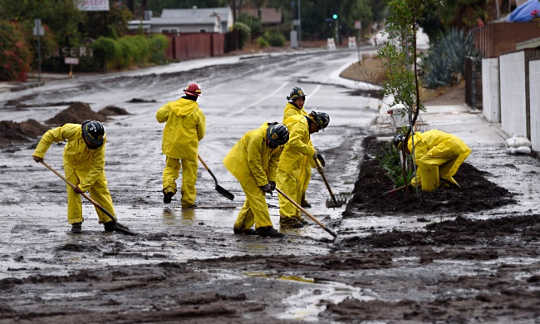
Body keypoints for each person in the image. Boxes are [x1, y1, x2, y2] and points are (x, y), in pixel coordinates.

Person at [32, 121, 117, 234]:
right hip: (72, 163)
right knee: (73, 192)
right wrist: (39, 152)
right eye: (91, 142)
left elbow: (98, 167)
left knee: (100, 190)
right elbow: (51, 135)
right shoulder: (71, 130)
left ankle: (109, 222)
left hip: (90, 165)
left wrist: (83, 186)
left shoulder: (100, 143)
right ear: (84, 135)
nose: (93, 144)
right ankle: (76, 223)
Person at [224, 122, 289, 238]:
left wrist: (272, 180)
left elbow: (274, 162)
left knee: (254, 198)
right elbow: (254, 162)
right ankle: (264, 227)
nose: (271, 144)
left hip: (256, 166)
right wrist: (263, 183)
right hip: (242, 164)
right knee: (257, 195)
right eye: (270, 142)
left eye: (274, 144)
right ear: (269, 134)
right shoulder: (256, 137)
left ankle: (241, 227)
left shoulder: (280, 145)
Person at [156, 82, 206, 207]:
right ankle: (188, 201)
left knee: (170, 168)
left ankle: (168, 189)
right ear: (197, 96)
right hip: (189, 147)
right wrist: (193, 142)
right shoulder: (197, 112)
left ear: (185, 93)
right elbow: (201, 133)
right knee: (189, 173)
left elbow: (159, 117)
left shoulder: (172, 106)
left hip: (171, 146)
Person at [277, 111, 329, 228]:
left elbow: (307, 145)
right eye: (318, 128)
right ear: (314, 122)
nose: (317, 131)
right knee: (287, 192)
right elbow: (293, 142)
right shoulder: (301, 124)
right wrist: (311, 152)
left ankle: (294, 216)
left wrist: (316, 162)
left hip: (293, 164)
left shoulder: (305, 125)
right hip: (285, 163)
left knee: (294, 192)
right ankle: (286, 219)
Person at [282, 86, 325, 208]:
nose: (301, 102)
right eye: (298, 100)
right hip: (295, 150)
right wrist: (310, 151)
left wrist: (314, 153)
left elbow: (307, 133)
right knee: (296, 178)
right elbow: (296, 137)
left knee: (306, 173)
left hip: (303, 148)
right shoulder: (290, 112)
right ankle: (296, 201)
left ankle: (301, 197)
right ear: (292, 101)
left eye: (302, 99)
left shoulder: (302, 111)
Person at [395, 129, 471, 192]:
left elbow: (423, 165)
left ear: (403, 145)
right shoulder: (419, 138)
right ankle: (457, 191)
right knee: (442, 175)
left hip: (449, 146)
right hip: (458, 146)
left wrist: (415, 182)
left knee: (426, 163)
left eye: (402, 150)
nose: (405, 152)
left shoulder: (413, 142)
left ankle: (430, 192)